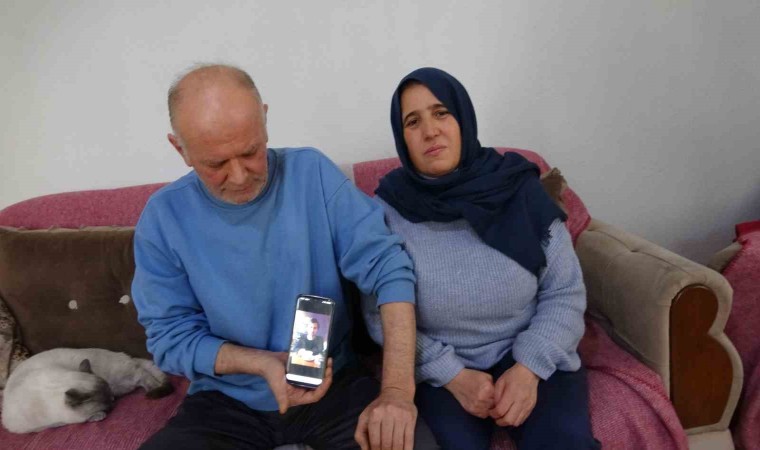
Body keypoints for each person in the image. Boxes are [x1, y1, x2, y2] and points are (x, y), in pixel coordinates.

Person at [132, 64, 419, 450]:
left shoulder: (312, 173)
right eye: (216, 164)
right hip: (224, 403)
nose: (239, 176)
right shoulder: (162, 218)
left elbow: (388, 269)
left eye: (250, 152)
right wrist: (259, 363)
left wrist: (397, 392)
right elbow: (169, 338)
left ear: (264, 119)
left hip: (334, 386)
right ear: (179, 148)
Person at [362, 67, 600, 450]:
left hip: (529, 349)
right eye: (413, 122)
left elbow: (565, 291)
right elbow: (380, 316)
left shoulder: (519, 189)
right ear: (402, 137)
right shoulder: (387, 212)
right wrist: (452, 375)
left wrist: (529, 367)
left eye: (441, 113)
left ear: (463, 117)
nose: (430, 131)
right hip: (441, 370)